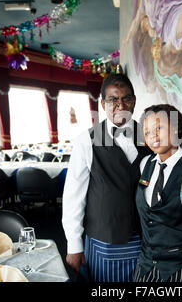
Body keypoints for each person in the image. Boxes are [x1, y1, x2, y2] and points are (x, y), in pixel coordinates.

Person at [62, 73, 152, 282]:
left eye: (126, 98)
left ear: (134, 101)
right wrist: (74, 246)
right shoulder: (86, 140)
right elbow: (73, 196)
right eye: (113, 99)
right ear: (103, 104)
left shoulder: (150, 134)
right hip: (105, 241)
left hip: (147, 238)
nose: (120, 104)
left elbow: (181, 152)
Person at [133, 104, 182, 282]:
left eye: (158, 128)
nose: (152, 135)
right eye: (147, 132)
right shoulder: (146, 163)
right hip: (145, 265)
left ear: (175, 128)